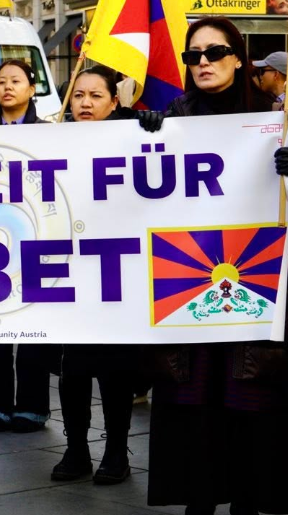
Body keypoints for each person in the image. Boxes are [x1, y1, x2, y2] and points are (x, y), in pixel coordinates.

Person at [144, 17, 288, 515]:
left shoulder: (277, 119)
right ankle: (199, 503)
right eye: (193, 55)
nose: (202, 62)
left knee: (248, 397)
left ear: (240, 58)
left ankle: (248, 502)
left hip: (256, 281)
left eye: (214, 52)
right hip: (186, 280)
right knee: (194, 402)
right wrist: (146, 141)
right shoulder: (172, 117)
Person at [52, 65, 161, 484]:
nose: (84, 103)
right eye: (78, 95)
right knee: (73, 367)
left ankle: (116, 450)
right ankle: (76, 448)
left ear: (115, 102)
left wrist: (150, 126)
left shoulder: (133, 134)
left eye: (96, 96)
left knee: (116, 369)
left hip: (119, 267)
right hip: (71, 267)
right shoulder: (52, 140)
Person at [0, 59, 60, 432]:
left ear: (31, 87)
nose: (7, 87)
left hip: (37, 239)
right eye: (2, 81)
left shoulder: (50, 133)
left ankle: (32, 408)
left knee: (33, 327)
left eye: (16, 81)